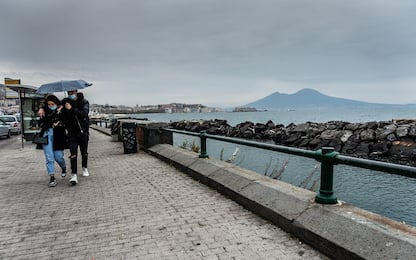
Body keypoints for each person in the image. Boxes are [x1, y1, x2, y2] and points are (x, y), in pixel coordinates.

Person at [61, 89, 90, 185]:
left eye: (72, 93)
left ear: (76, 92)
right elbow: (62, 116)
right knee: (73, 153)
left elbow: (84, 113)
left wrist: (72, 109)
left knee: (84, 151)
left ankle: (84, 167)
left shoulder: (84, 102)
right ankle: (74, 174)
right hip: (72, 132)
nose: (71, 94)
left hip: (83, 131)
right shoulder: (65, 103)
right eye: (69, 93)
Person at [38, 95, 68, 187]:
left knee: (58, 156)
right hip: (47, 134)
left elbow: (66, 121)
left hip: (58, 136)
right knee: (49, 157)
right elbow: (40, 123)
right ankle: (52, 177)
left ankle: (63, 167)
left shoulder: (62, 110)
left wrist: (59, 121)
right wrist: (50, 122)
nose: (51, 106)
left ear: (56, 103)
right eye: (49, 104)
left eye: (52, 104)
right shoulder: (44, 111)